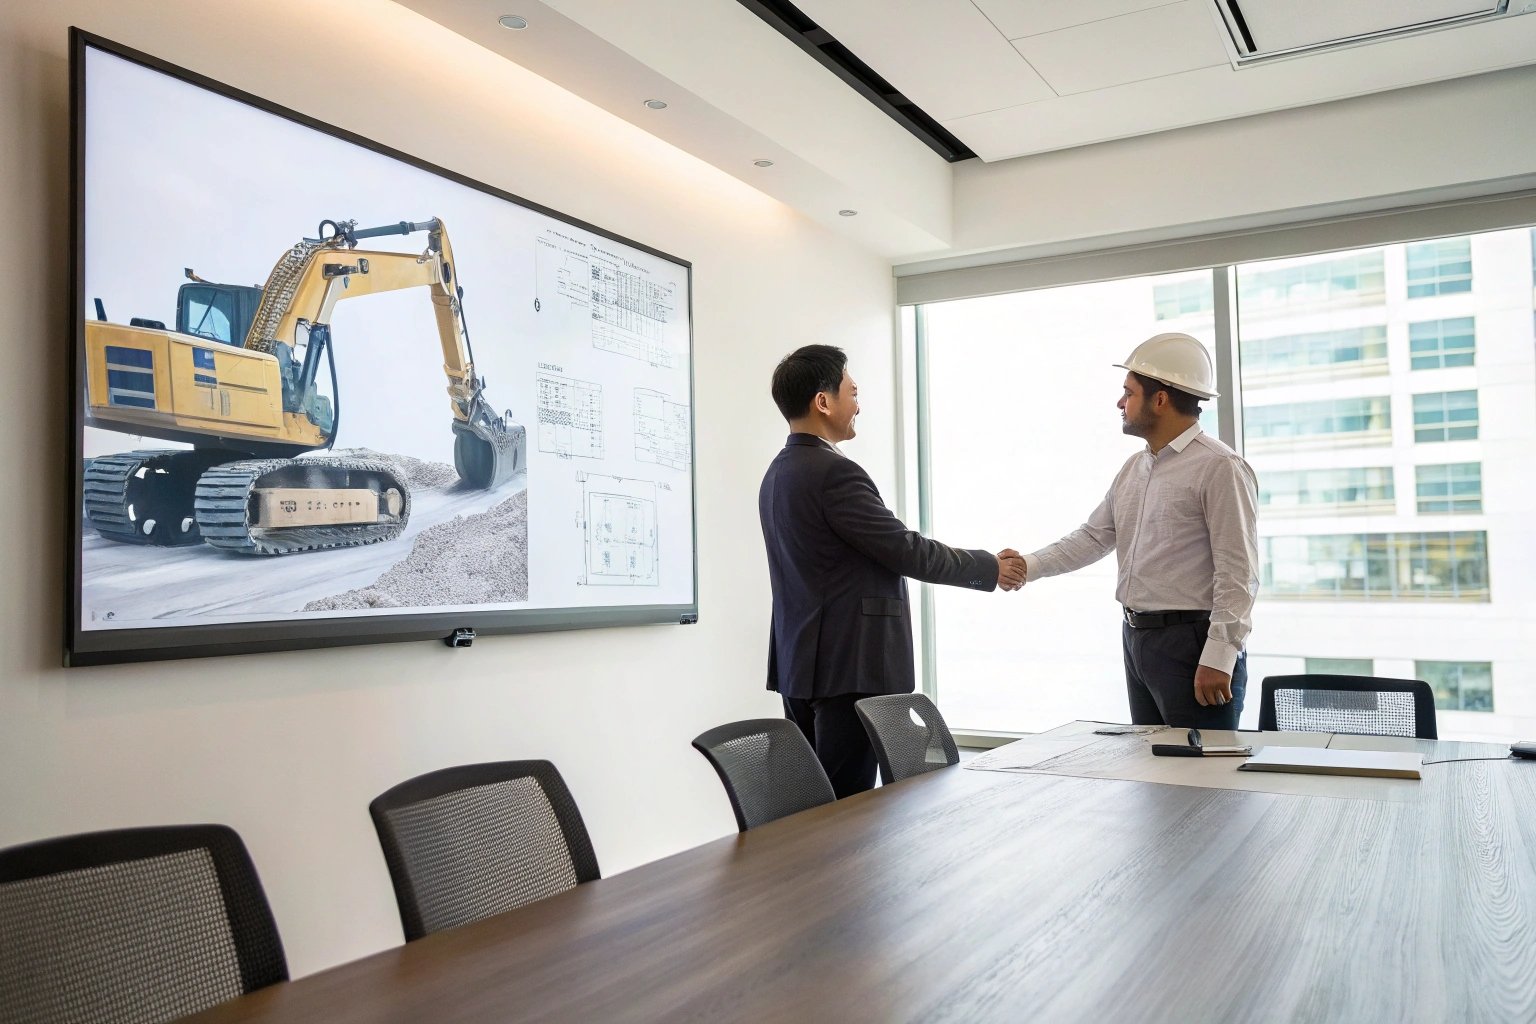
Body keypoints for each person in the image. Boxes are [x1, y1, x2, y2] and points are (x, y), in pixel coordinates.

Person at [760, 344, 1025, 797]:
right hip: (850, 668)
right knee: (850, 809)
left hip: (800, 663)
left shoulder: (777, 473)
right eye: (852, 392)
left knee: (811, 809)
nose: (858, 405)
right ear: (823, 402)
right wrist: (988, 567)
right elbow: (905, 550)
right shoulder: (834, 473)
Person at [1018, 333, 1259, 729]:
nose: (1119, 403)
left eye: (1128, 392)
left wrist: (1219, 655)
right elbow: (1094, 537)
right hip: (1137, 639)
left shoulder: (1220, 468)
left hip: (1192, 644)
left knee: (1199, 781)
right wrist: (1028, 565)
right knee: (1153, 773)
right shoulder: (1134, 468)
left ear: (1160, 399)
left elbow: (1239, 573)